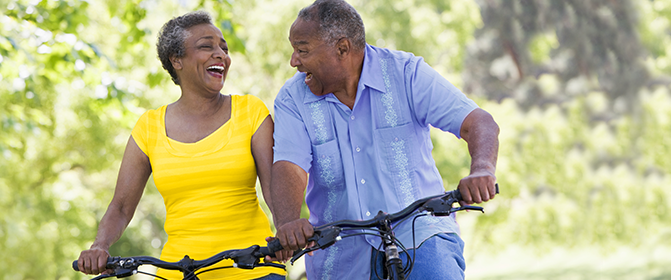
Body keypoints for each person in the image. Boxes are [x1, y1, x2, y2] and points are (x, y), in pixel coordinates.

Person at [268, 0, 500, 279]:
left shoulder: (406, 73)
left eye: (302, 50)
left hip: (421, 235)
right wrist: (289, 221)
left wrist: (483, 170)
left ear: (342, 48)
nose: (294, 61)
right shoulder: (293, 99)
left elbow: (477, 123)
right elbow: (289, 166)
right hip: (341, 251)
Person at [76, 11, 284, 280]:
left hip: (252, 267)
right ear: (177, 60)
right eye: (206, 46)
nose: (221, 53)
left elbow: (274, 189)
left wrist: (285, 230)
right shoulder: (149, 126)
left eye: (224, 47)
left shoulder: (250, 111)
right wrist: (99, 246)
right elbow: (121, 207)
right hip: (179, 272)